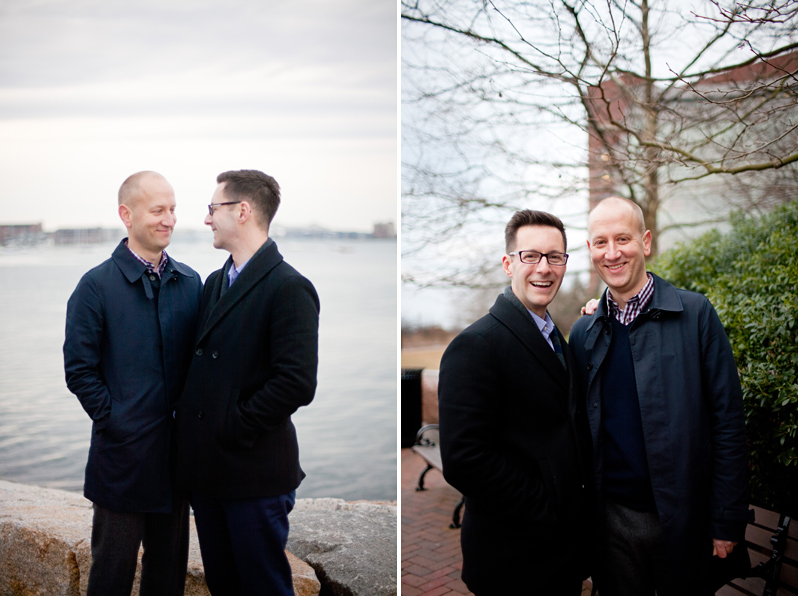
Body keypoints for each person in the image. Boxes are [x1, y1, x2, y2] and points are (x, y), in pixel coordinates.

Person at [570, 196, 749, 596]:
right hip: (612, 524)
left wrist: (726, 519)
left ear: (646, 242)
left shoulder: (696, 314)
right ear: (590, 251)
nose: (612, 253)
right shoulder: (583, 334)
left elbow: (728, 425)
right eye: (601, 242)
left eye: (623, 239)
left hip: (685, 520)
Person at [176, 169, 319, 596]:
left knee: (263, 588)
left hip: (254, 473)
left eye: (212, 209)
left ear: (242, 211)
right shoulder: (216, 282)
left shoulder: (289, 287)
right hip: (210, 472)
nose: (206, 220)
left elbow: (296, 382)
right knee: (224, 585)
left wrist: (231, 424)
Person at [438, 209, 593, 595]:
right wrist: (549, 509)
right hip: (514, 560)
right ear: (509, 264)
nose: (544, 268)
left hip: (559, 556)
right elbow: (463, 460)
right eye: (531, 256)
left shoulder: (555, 335)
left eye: (555, 256)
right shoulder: (476, 345)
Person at [64, 171, 202, 596]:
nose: (169, 219)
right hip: (120, 464)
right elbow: (79, 371)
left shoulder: (191, 282)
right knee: (111, 578)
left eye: (173, 209)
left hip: (175, 466)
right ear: (126, 214)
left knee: (167, 582)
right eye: (158, 210)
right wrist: (117, 420)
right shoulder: (95, 287)